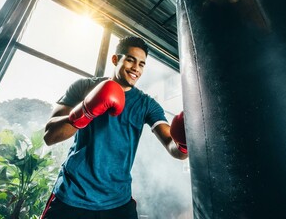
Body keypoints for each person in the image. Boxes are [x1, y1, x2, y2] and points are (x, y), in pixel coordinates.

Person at [41, 36, 188, 219]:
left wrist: (184, 141)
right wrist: (86, 111)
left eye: (142, 64)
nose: (136, 68)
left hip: (118, 202)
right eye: (130, 60)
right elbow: (50, 136)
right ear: (115, 59)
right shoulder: (84, 86)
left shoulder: (147, 104)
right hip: (72, 196)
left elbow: (174, 148)